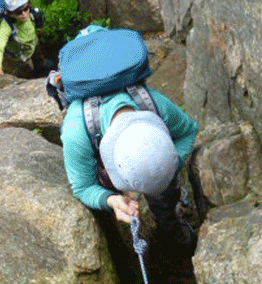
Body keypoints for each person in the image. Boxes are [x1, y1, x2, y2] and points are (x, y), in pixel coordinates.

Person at [59, 82, 199, 245]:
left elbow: (188, 131)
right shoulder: (76, 133)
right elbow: (83, 186)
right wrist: (110, 200)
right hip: (92, 141)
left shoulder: (154, 104)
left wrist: (169, 163)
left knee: (164, 194)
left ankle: (170, 228)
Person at [0, 0, 46, 78]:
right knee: (28, 72)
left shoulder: (31, 13)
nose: (24, 14)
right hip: (21, 55)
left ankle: (42, 68)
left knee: (39, 60)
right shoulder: (6, 26)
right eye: (18, 12)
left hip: (33, 43)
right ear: (11, 14)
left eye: (25, 9)